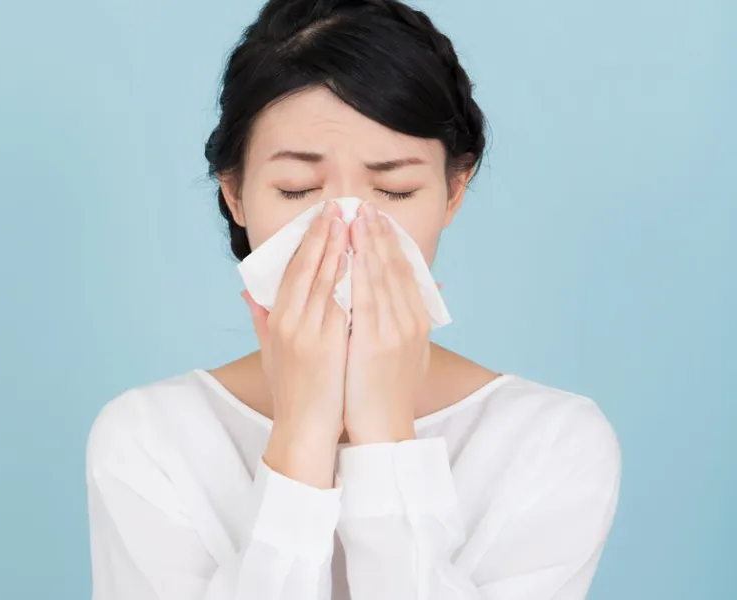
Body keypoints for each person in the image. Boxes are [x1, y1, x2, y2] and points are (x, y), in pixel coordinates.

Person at [84, 0, 621, 599]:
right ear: (235, 196)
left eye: (394, 189)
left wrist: (385, 436)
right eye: (298, 189)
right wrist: (301, 437)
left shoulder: (549, 443)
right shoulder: (150, 439)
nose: (343, 230)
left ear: (452, 193)